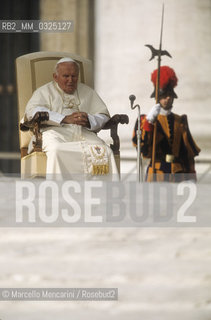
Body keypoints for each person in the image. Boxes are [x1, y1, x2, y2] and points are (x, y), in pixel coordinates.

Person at [24, 57, 118, 179]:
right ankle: (59, 194)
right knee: (57, 150)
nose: (70, 80)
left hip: (83, 133)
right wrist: (63, 118)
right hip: (54, 133)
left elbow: (103, 116)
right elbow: (32, 112)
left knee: (105, 151)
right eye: (66, 76)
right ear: (55, 77)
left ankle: (104, 195)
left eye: (74, 76)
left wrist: (89, 120)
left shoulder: (87, 92)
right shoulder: (43, 92)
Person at [132, 66, 200, 182]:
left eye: (170, 95)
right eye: (164, 95)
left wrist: (191, 178)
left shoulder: (180, 121)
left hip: (178, 175)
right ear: (157, 97)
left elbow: (188, 155)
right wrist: (149, 122)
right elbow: (144, 151)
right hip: (157, 173)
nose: (167, 98)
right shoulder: (144, 120)